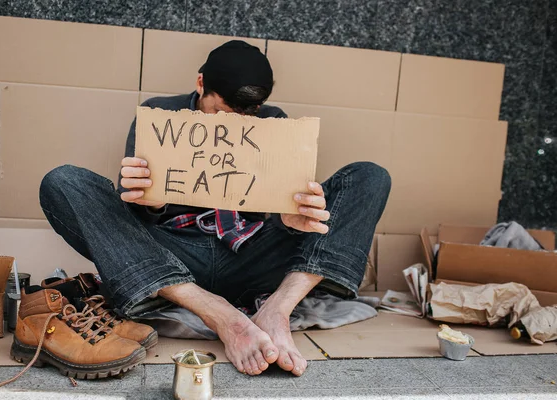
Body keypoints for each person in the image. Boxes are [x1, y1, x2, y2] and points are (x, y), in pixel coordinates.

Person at [39, 40, 391, 377]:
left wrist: (293, 221)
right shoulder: (159, 114)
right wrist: (149, 203)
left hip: (253, 255)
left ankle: (276, 311)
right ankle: (220, 314)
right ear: (200, 83)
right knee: (63, 182)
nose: (232, 123)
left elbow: (287, 219)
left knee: (369, 177)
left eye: (246, 113)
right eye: (222, 111)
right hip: (172, 257)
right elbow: (132, 217)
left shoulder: (275, 120)